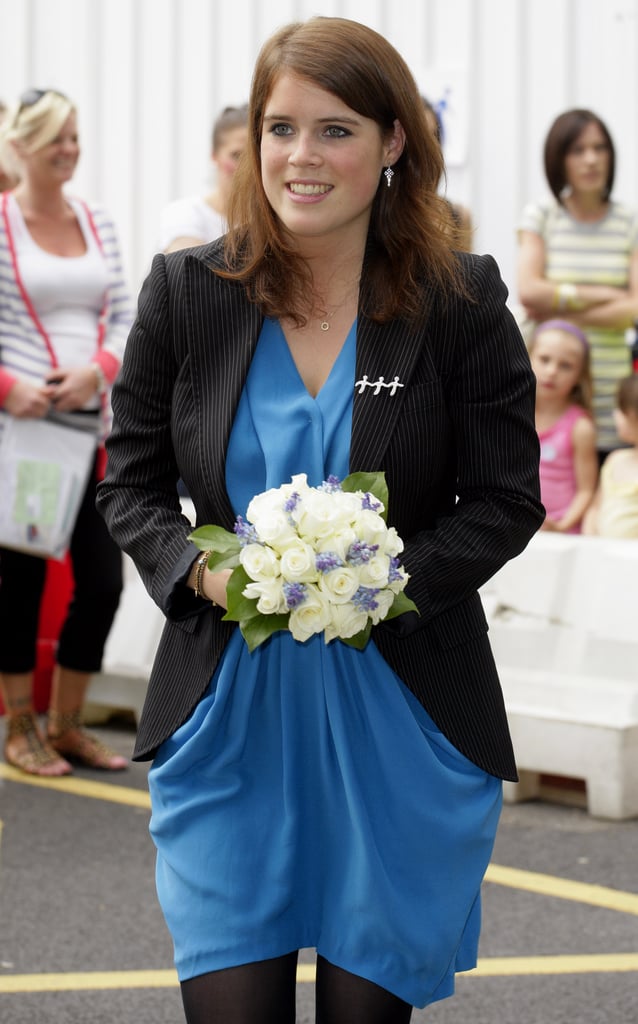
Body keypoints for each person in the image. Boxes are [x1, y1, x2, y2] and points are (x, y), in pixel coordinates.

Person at [97, 17, 543, 1023]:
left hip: (401, 717)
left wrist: (385, 579)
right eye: (279, 127)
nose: (301, 157)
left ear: (394, 143)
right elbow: (127, 486)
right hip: (226, 717)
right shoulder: (186, 292)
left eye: (335, 129)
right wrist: (200, 571)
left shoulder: (459, 299)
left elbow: (507, 497)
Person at [0, 88, 134, 775]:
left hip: (90, 429)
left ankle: (67, 722)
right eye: (55, 137)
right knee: (18, 581)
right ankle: (19, 726)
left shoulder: (97, 221)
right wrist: (8, 387)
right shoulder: (1, 223)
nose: (69, 149)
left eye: (75, 136)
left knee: (103, 581)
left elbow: (123, 313)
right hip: (26, 435)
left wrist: (99, 371)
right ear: (18, 146)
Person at [518, 108, 638, 460]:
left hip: (611, 397)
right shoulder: (541, 216)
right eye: (578, 150)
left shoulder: (629, 222)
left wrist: (557, 312)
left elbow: (634, 307)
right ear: (559, 158)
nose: (591, 159)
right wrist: (605, 295)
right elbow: (528, 291)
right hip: (553, 400)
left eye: (600, 148)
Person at [529, 319, 598, 533]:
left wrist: (561, 525)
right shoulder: (511, 416)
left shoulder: (580, 427)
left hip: (561, 533)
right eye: (544, 359)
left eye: (566, 365)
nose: (552, 371)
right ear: (527, 358)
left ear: (580, 376)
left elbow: (586, 490)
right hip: (514, 529)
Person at [158, 103, 249, 253]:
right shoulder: (184, 214)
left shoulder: (271, 222)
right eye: (237, 156)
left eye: (253, 157)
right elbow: (188, 270)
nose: (246, 168)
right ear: (214, 156)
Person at [583, 374, 638, 537]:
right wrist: (590, 534)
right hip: (602, 554)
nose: (615, 414)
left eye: (620, 409)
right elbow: (595, 507)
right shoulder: (615, 459)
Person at [422, 95, 473, 251]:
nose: (427, 151)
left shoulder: (457, 216)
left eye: (433, 139)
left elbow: (465, 274)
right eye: (419, 139)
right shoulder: (371, 214)